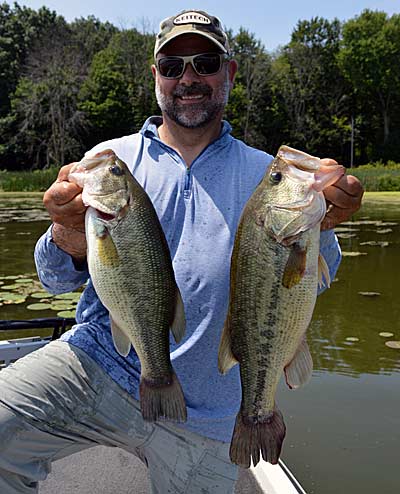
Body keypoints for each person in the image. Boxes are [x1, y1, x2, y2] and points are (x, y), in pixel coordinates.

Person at [0, 9, 363, 494]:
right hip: (99, 365)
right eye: (172, 67)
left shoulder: (267, 173)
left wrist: (326, 222)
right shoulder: (110, 161)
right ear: (156, 78)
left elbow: (315, 276)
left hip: (209, 411)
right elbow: (55, 279)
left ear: (229, 72)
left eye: (205, 63)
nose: (188, 78)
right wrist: (66, 231)